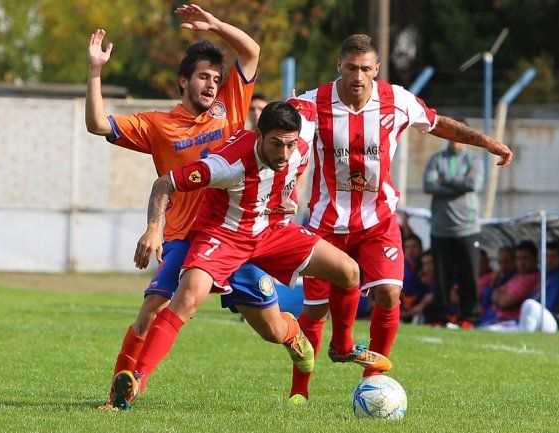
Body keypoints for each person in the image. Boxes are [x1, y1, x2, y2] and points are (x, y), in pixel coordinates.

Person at [84, 5, 301, 409]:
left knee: (272, 329)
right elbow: (98, 124)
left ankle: (294, 336)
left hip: (235, 233)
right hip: (186, 238)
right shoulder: (158, 125)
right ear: (183, 80)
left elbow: (251, 52)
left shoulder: (231, 107)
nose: (213, 84)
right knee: (151, 309)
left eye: (217, 79)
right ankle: (122, 392)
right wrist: (96, 71)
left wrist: (217, 26)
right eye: (204, 76)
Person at [288, 34, 513, 404]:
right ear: (338, 66)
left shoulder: (397, 100)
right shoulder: (313, 103)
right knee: (314, 310)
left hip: (378, 221)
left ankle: (373, 382)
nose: (357, 76)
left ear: (376, 69)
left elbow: (438, 123)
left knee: (390, 294)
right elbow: (283, 138)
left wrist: (485, 141)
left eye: (365, 69)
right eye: (350, 67)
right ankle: (300, 391)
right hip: (327, 224)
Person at [111, 101, 369, 410]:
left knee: (348, 272)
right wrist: (154, 228)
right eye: (276, 143)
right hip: (223, 237)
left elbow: (316, 105)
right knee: (187, 297)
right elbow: (164, 183)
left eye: (289, 144)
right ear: (259, 135)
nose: (284, 153)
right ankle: (137, 380)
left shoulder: (298, 143)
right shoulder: (227, 165)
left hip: (272, 233)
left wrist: (290, 195)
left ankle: (334, 344)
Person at [423, 118, 484, 329]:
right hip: (440, 228)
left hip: (467, 228)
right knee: (441, 276)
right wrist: (458, 184)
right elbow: (429, 185)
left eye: (460, 133)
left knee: (469, 276)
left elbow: (473, 183)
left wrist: (444, 181)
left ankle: (470, 317)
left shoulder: (473, 160)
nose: (455, 138)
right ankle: (439, 317)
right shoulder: (436, 159)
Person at [489, 241, 541, 323]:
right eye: (518, 258)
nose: (521, 263)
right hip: (499, 319)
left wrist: (499, 295)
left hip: (511, 321)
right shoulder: (518, 275)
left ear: (535, 259)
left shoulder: (531, 278)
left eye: (526, 258)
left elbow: (504, 303)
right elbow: (495, 294)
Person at [480, 246, 516, 324]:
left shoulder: (516, 278)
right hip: (490, 317)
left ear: (514, 261)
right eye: (500, 262)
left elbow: (503, 302)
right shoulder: (499, 278)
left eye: (506, 261)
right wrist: (492, 284)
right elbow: (485, 300)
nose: (503, 266)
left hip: (502, 319)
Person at [530, 240, 559, 310]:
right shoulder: (545, 275)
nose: (549, 260)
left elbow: (547, 307)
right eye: (547, 256)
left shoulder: (557, 281)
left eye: (553, 257)